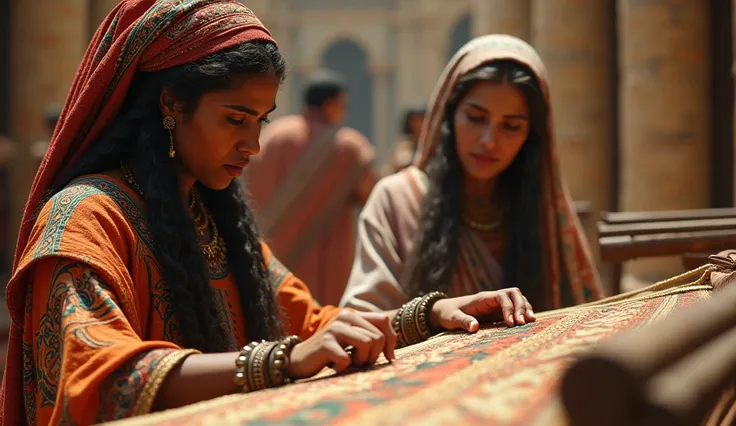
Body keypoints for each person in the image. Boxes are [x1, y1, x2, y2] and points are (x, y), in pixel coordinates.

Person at [0, 3, 535, 425]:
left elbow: (313, 322)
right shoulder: (85, 220)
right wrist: (279, 362)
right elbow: (93, 381)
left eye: (260, 121)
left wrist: (431, 314)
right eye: (236, 119)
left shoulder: (211, 219)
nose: (253, 145)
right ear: (169, 104)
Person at [340, 35, 604, 314]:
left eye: (511, 126)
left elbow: (582, 316)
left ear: (531, 136)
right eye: (476, 118)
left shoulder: (546, 211)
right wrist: (431, 315)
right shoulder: (398, 200)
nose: (489, 140)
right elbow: (363, 323)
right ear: (449, 116)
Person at [245, 69, 378, 306]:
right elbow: (374, 199)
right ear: (330, 105)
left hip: (267, 267)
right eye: (342, 105)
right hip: (323, 281)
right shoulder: (348, 147)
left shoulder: (270, 137)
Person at [382, 102, 427, 176]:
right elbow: (403, 162)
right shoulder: (406, 144)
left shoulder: (427, 142)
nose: (419, 124)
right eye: (415, 120)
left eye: (422, 119)